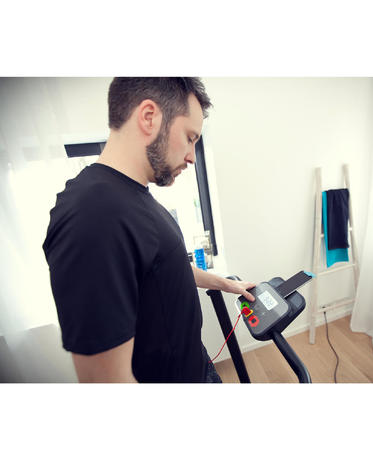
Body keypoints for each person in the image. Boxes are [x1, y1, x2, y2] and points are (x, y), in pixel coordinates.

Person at [42, 77, 256, 383]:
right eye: (190, 137)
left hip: (196, 364)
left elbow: (164, 267)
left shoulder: (132, 195)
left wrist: (225, 284)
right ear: (149, 117)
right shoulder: (93, 214)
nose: (192, 156)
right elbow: (106, 382)